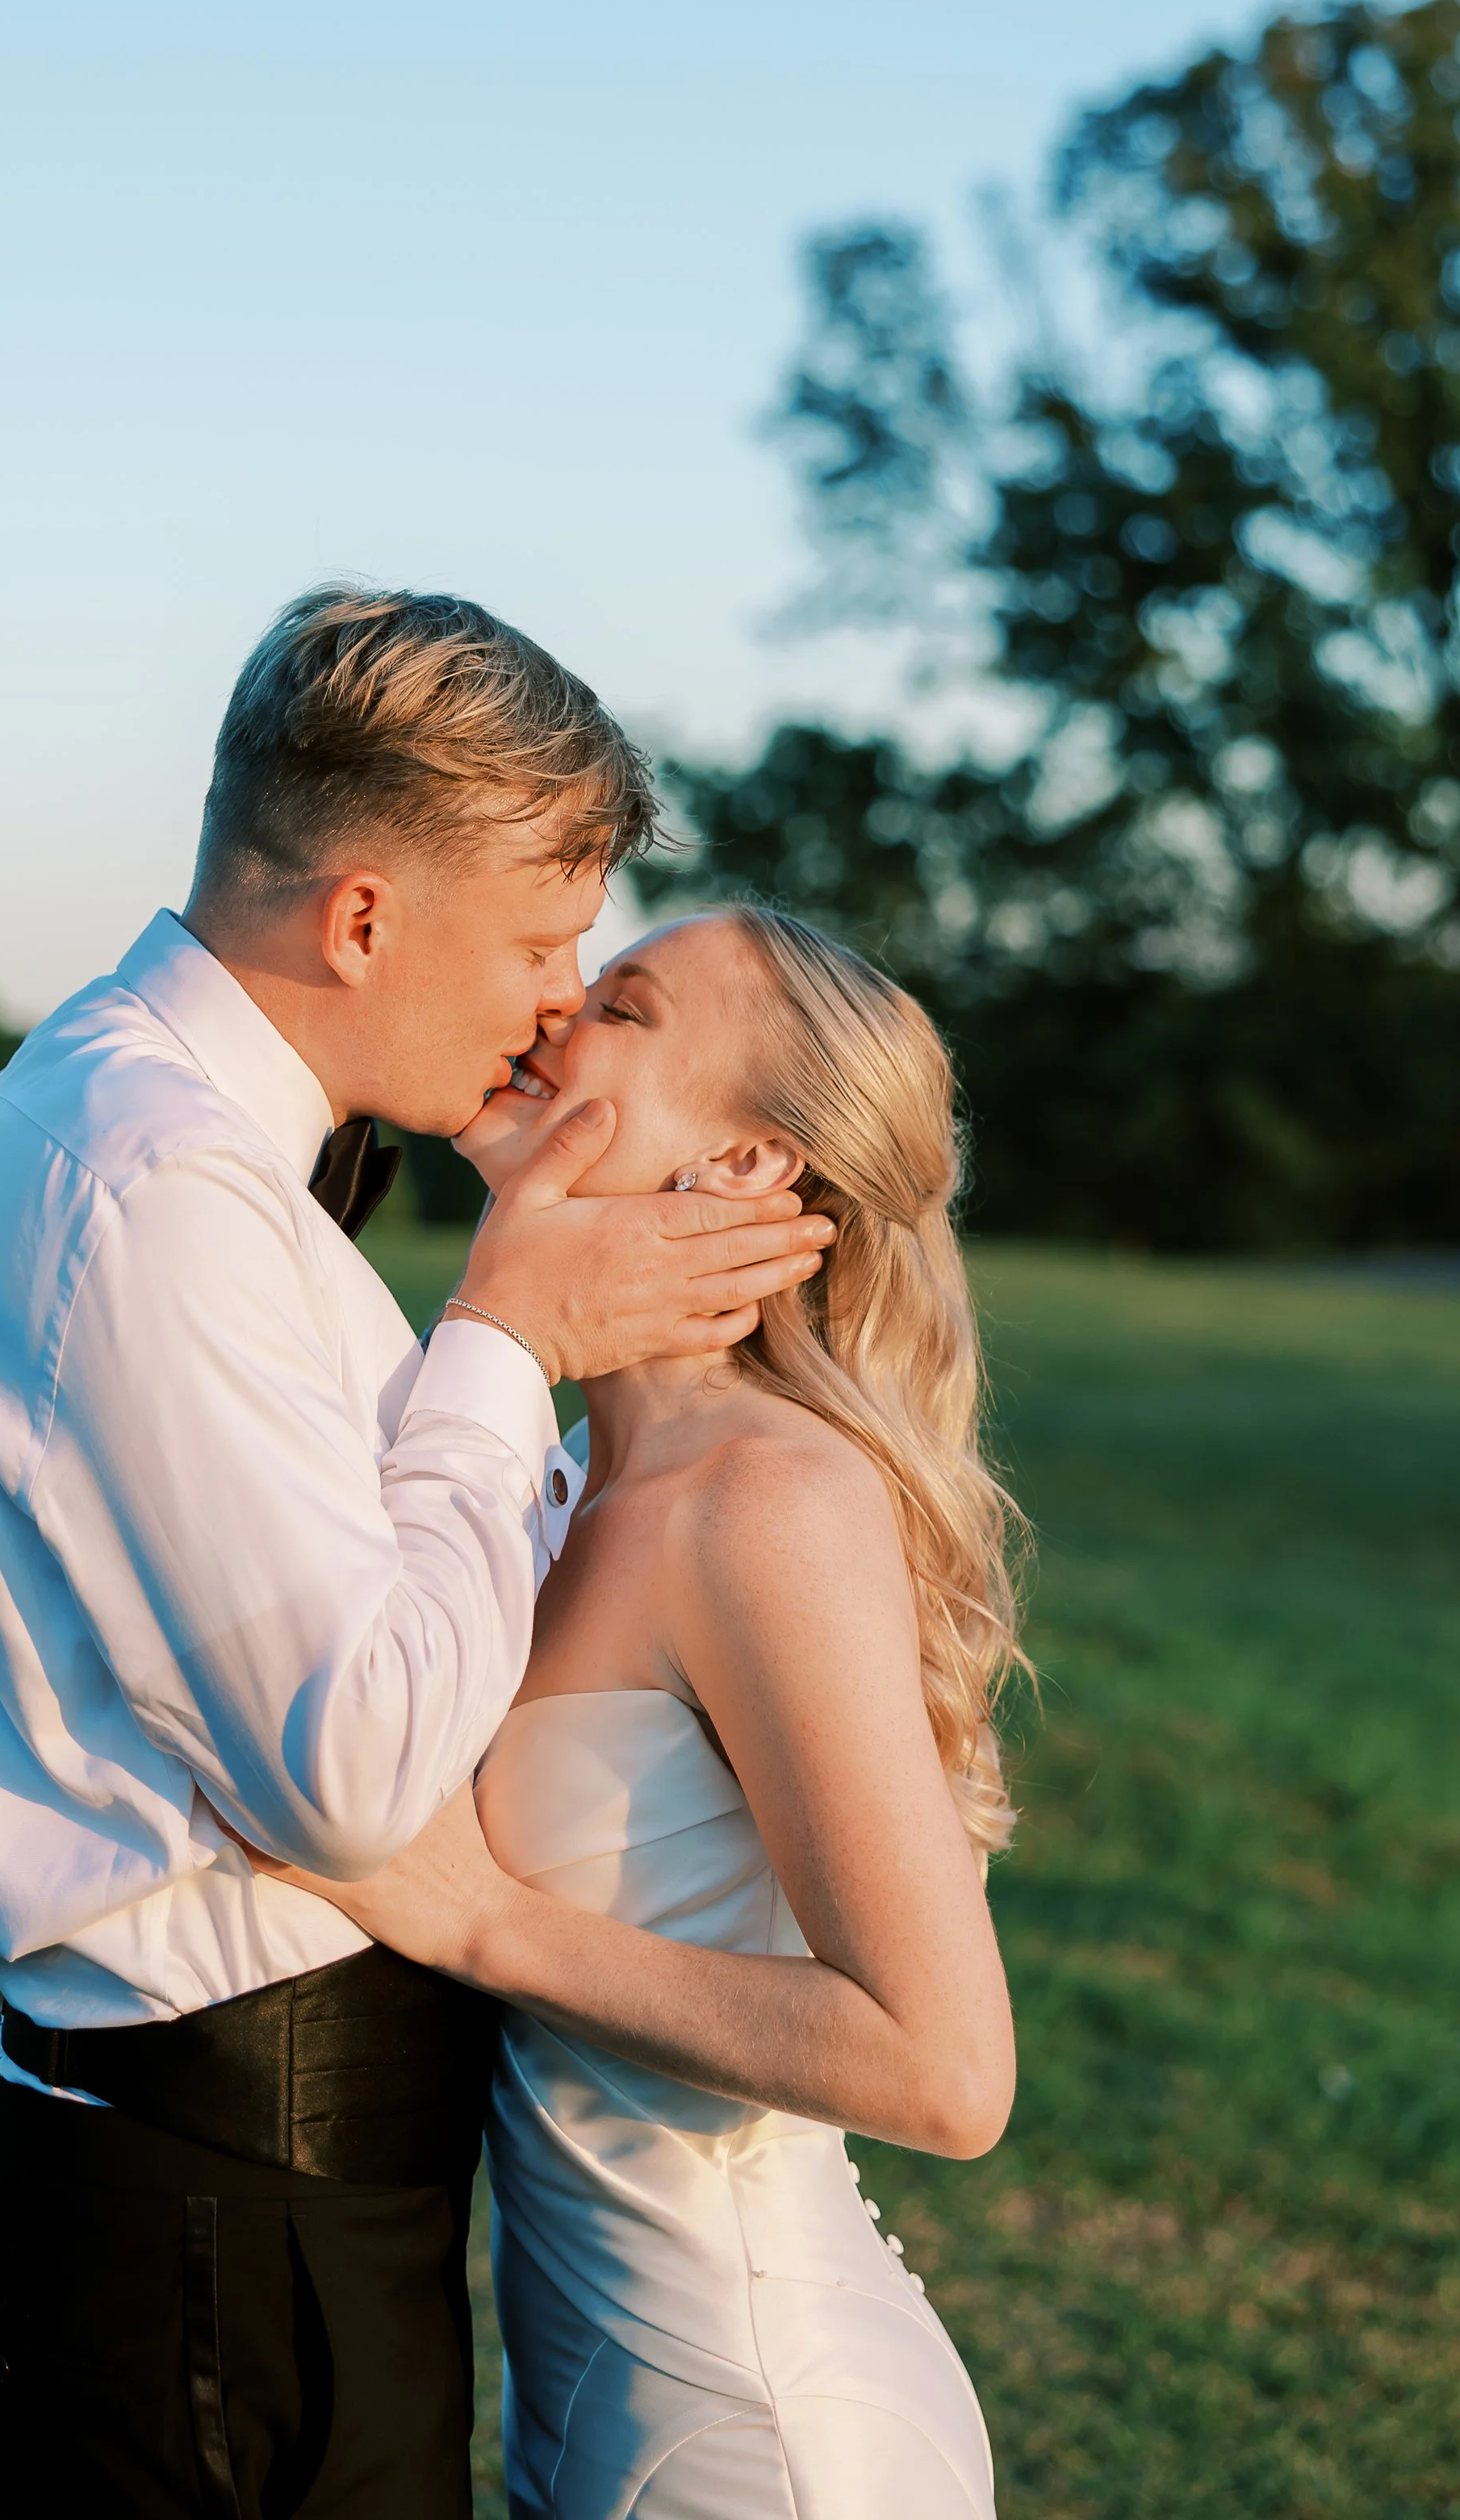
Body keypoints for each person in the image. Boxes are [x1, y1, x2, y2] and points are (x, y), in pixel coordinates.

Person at [0, 587, 833, 2519]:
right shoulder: (152, 1188)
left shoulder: (174, 1143)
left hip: (248, 2188)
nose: (561, 996)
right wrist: (506, 1338)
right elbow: (355, 1763)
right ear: (363, 916)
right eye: (544, 938)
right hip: (222, 2207)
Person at [249, 905, 1026, 2518]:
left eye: (621, 1004)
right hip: (590, 2403)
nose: (546, 1007)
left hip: (761, 2422)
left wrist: (482, 1926)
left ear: (746, 1164)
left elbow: (943, 2069)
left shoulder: (766, 1501)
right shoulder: (547, 1487)